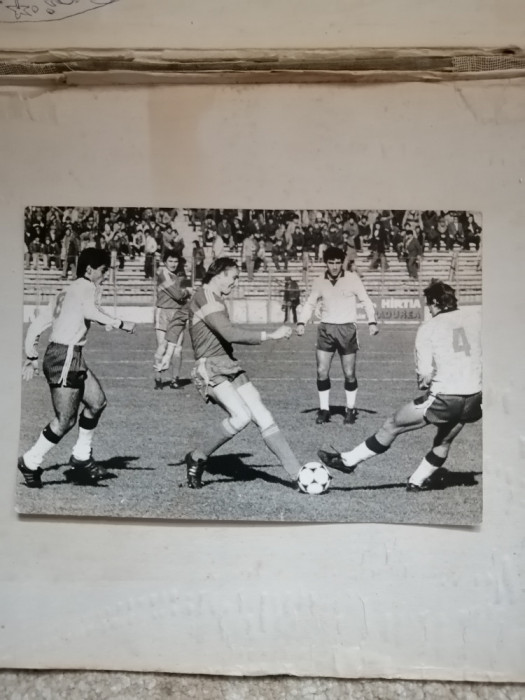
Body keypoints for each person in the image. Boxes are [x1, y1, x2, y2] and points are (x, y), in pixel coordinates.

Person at [318, 280, 482, 491]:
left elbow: (423, 378)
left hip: (445, 397)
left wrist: (428, 381)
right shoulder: (475, 318)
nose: (429, 310)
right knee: (443, 441)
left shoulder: (429, 327)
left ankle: (348, 461)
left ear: (434, 302)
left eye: (429, 305)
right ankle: (416, 482)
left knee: (392, 424)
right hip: (474, 396)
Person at [18, 248, 136, 488]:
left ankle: (81, 456)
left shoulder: (65, 290)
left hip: (70, 354)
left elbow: (38, 324)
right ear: (89, 270)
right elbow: (90, 311)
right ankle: (30, 461)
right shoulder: (87, 287)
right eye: (103, 271)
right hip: (65, 355)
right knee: (65, 420)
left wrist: (31, 354)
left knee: (97, 402)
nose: (105, 277)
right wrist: (119, 322)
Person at [184, 257, 301, 489]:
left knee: (264, 416)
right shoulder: (204, 296)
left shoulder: (214, 298)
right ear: (220, 274)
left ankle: (298, 475)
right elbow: (228, 333)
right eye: (234, 277)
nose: (235, 282)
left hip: (228, 364)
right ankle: (197, 456)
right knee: (241, 416)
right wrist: (271, 335)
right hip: (211, 368)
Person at [296, 246, 379, 425]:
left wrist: (372, 322)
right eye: (331, 263)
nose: (334, 266)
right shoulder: (319, 281)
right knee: (321, 371)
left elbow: (365, 300)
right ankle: (324, 410)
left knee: (349, 373)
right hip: (325, 329)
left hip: (347, 329)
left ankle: (350, 409)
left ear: (342, 263)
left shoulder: (352, 279)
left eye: (337, 263)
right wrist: (302, 322)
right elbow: (310, 303)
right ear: (326, 263)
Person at [154, 251, 191, 390]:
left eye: (175, 261)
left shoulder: (180, 275)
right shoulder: (163, 274)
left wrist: (186, 292)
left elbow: (185, 293)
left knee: (177, 349)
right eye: (170, 261)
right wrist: (186, 291)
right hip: (163, 312)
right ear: (165, 262)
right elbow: (178, 294)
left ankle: (175, 379)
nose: (173, 264)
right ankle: (158, 378)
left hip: (178, 313)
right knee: (162, 346)